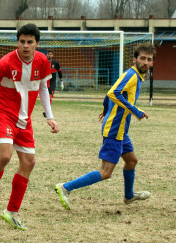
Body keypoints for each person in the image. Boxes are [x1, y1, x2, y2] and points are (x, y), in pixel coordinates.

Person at [0, 23, 59, 231]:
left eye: (30, 42)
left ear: (37, 44)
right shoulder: (7, 61)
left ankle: (11, 211)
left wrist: (50, 116)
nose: (26, 46)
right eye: (22, 42)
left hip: (24, 119)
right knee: (5, 157)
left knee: (29, 162)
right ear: (17, 43)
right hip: (2, 114)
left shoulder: (43, 61)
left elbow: (44, 88)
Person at [55, 43, 155, 209]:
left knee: (131, 161)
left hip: (122, 129)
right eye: (142, 58)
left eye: (149, 59)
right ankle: (65, 187)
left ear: (152, 63)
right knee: (106, 172)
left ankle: (129, 196)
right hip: (115, 129)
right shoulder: (132, 75)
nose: (145, 62)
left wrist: (104, 108)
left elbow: (111, 91)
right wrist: (135, 111)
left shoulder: (134, 76)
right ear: (134, 59)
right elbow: (113, 93)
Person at [43, 50, 63, 117]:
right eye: (48, 54)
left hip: (52, 82)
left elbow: (59, 72)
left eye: (51, 54)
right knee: (46, 97)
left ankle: (47, 112)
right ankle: (47, 111)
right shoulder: (43, 62)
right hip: (45, 81)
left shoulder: (55, 63)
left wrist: (61, 82)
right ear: (46, 55)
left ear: (52, 55)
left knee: (49, 96)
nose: (49, 55)